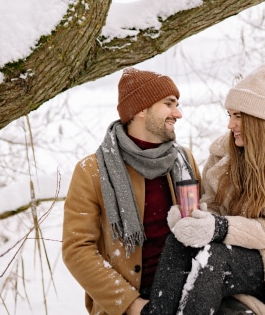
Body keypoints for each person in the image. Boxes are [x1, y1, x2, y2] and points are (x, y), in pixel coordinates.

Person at [140, 63, 265, 315]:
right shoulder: (222, 154)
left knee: (214, 257)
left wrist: (220, 228)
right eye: (229, 115)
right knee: (178, 242)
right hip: (233, 247)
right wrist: (193, 220)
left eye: (238, 116)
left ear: (259, 119)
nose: (230, 125)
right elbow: (211, 207)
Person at [62, 67, 202, 315]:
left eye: (177, 104)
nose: (177, 113)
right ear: (140, 109)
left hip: (185, 295)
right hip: (131, 305)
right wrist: (132, 305)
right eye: (169, 104)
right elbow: (77, 250)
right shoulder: (92, 171)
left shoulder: (184, 160)